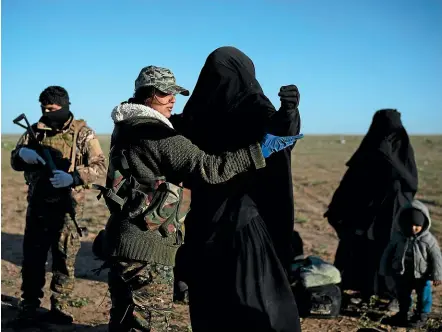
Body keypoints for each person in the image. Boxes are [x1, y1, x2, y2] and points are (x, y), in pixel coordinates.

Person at [101, 65, 299, 332]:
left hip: (123, 238)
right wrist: (259, 150)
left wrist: (287, 115)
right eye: (164, 93)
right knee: (150, 324)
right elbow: (208, 168)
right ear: (146, 94)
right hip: (148, 247)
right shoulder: (158, 134)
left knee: (124, 319)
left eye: (175, 94)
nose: (172, 99)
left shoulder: (127, 125)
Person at [179, 46, 303, 332]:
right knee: (212, 300)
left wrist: (290, 112)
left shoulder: (253, 106)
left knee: (252, 300)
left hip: (244, 215)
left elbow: (280, 136)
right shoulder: (197, 112)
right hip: (206, 217)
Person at [9, 86, 107, 326]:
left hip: (67, 207)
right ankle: (29, 305)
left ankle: (60, 307)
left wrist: (73, 178)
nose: (46, 113)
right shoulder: (35, 131)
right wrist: (22, 155)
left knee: (64, 259)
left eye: (51, 109)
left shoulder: (83, 133)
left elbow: (100, 166)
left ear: (64, 106)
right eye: (43, 108)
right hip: (38, 205)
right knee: (33, 258)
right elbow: (14, 160)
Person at [324, 109, 418, 305]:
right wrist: (337, 207)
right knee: (363, 249)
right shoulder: (370, 149)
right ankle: (366, 291)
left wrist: (388, 159)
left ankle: (392, 297)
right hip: (366, 213)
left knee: (390, 252)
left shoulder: (402, 150)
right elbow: (351, 181)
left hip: (392, 213)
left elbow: (410, 183)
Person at [380, 200, 442, 328]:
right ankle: (402, 314)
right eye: (409, 225)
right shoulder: (398, 237)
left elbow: (437, 258)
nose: (413, 229)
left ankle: (421, 316)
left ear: (424, 223)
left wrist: (437, 275)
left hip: (422, 275)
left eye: (417, 226)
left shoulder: (428, 240)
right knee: (403, 295)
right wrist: (384, 268)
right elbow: (388, 253)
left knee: (424, 296)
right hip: (402, 274)